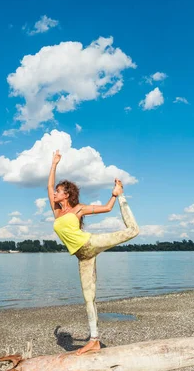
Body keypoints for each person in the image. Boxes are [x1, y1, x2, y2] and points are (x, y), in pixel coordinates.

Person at [48, 149, 140, 355]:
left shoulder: (79, 208)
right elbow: (47, 186)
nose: (54, 193)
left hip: (91, 243)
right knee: (89, 298)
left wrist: (116, 195)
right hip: (83, 257)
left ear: (67, 194)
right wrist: (54, 164)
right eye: (55, 191)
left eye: (58, 190)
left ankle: (124, 197)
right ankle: (95, 340)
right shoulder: (56, 211)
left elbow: (107, 208)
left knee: (132, 231)